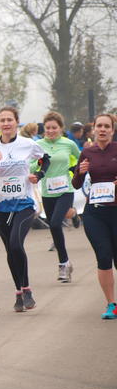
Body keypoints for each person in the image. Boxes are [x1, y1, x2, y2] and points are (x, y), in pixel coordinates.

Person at [0, 106, 50, 312]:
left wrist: (39, 175)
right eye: (2, 120)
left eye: (10, 119)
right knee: (10, 250)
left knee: (17, 244)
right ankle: (18, 292)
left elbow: (45, 159)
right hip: (1, 207)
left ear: (16, 122)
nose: (6, 123)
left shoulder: (27, 144)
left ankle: (27, 289)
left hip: (24, 204)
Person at [71, 114, 117, 319]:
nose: (103, 129)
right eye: (99, 126)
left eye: (107, 126)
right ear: (94, 129)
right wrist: (80, 172)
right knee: (104, 256)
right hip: (95, 212)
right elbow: (76, 184)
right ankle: (111, 304)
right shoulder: (87, 152)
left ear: (112, 130)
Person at [32, 112, 79, 283]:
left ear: (61, 128)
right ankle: (73, 213)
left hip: (66, 190)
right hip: (47, 192)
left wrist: (74, 170)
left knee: (54, 223)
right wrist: (38, 164)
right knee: (54, 227)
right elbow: (30, 165)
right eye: (48, 128)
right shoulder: (38, 145)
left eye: (54, 128)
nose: (51, 131)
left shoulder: (69, 144)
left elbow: (81, 159)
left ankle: (63, 264)